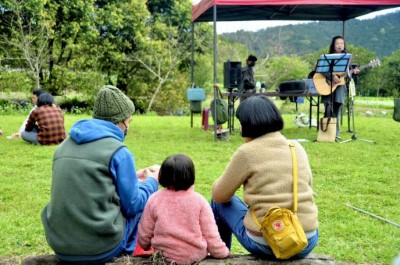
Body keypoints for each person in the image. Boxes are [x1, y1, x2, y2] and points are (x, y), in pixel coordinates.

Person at [41, 85, 160, 264]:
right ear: (119, 122)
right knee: (147, 200)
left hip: (60, 245)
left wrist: (133, 177)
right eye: (129, 121)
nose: (128, 127)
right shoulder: (119, 152)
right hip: (102, 248)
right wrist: (152, 181)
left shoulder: (63, 147)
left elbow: (90, 182)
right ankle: (135, 251)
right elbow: (132, 205)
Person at [210, 96, 318, 260]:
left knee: (218, 203)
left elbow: (220, 195)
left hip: (267, 244)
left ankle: (220, 255)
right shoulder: (296, 147)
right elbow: (309, 185)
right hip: (305, 240)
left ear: (248, 124)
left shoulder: (246, 152)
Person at [138, 154, 230, 264]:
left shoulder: (154, 199)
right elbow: (211, 235)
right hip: (194, 257)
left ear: (162, 175)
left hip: (163, 257)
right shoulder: (199, 201)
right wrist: (222, 252)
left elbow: (144, 234)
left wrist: (145, 245)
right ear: (191, 175)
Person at [321, 36, 359, 140]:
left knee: (337, 109)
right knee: (328, 109)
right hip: (327, 85)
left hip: (340, 87)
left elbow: (348, 75)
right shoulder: (328, 57)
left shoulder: (347, 58)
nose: (340, 45)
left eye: (342, 43)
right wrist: (332, 76)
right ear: (333, 45)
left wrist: (354, 73)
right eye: (337, 43)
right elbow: (321, 70)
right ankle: (325, 133)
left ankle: (335, 134)